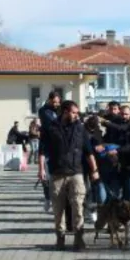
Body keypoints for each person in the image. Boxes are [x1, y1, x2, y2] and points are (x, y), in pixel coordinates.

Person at [38, 100, 99, 251]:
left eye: (77, 113)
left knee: (78, 205)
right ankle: (60, 237)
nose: (76, 115)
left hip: (76, 172)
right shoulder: (51, 128)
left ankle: (79, 238)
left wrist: (95, 170)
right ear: (65, 112)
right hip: (57, 173)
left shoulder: (80, 129)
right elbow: (42, 151)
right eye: (74, 112)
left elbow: (88, 151)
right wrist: (41, 170)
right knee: (58, 209)